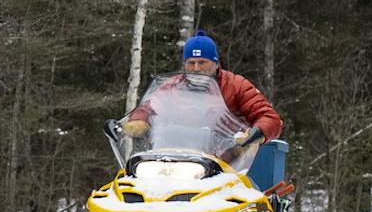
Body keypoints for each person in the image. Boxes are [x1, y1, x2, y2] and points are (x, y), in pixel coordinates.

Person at [120, 32, 282, 153]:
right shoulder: (172, 86)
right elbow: (149, 107)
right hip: (174, 157)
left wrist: (257, 132)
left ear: (216, 63)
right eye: (191, 63)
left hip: (226, 162)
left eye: (202, 62)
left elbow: (269, 117)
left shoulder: (236, 85)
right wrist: (139, 120)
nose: (196, 68)